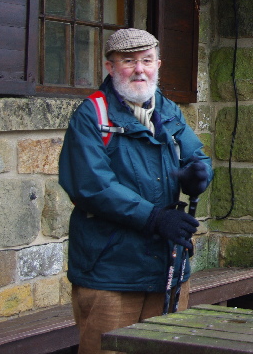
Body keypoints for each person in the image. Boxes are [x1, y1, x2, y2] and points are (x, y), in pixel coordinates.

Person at [59, 28, 212, 354]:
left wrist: (198, 177)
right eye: (128, 61)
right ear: (110, 67)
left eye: (146, 61)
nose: (139, 69)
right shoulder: (92, 114)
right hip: (110, 271)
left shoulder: (168, 110)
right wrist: (155, 218)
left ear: (158, 64)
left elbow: (196, 157)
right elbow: (91, 186)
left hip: (167, 267)